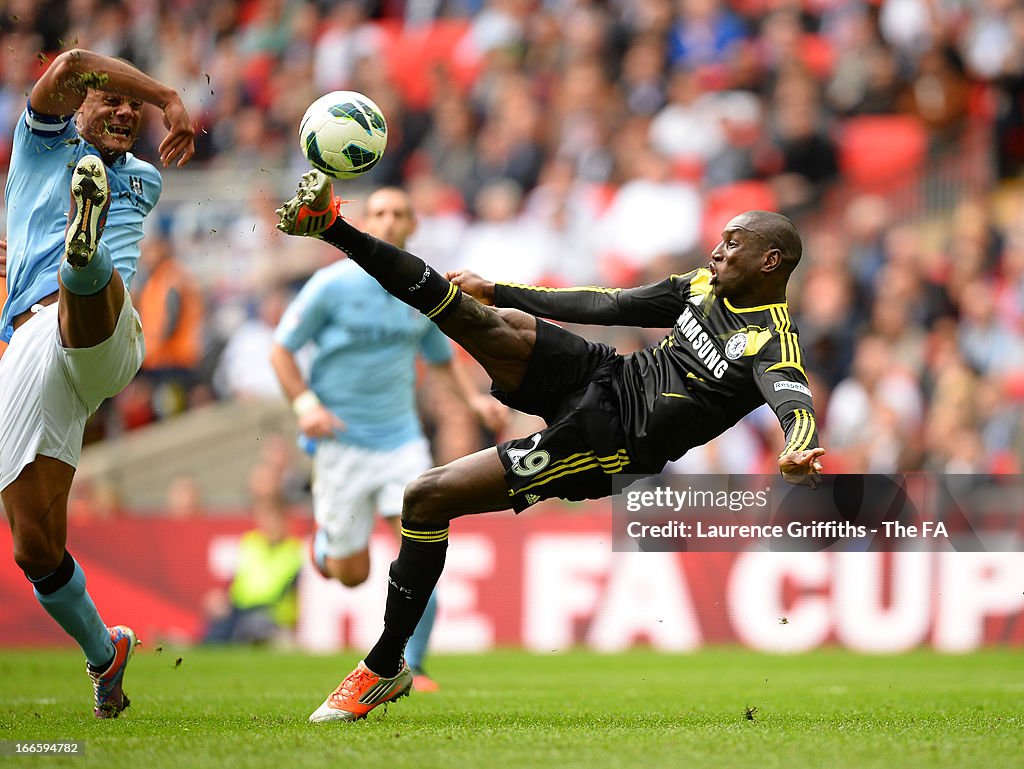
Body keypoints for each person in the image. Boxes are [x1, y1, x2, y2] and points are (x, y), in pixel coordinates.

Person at [276, 170, 825, 723]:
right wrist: (501, 289)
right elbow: (609, 303)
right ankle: (332, 228)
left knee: (424, 498)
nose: (716, 252)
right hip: (604, 376)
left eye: (732, 244)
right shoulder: (702, 287)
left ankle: (384, 664)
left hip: (608, 443)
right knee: (476, 315)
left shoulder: (772, 342)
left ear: (769, 262)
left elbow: (795, 408)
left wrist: (798, 449)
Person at [0, 49, 194, 718]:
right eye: (106, 99)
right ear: (75, 106)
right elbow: (76, 62)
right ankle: (104, 652)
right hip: (30, 349)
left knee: (84, 273)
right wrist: (165, 92)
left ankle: (85, 253)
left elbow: (88, 73)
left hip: (111, 333)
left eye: (130, 107)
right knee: (33, 548)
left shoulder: (140, 176)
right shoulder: (35, 145)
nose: (121, 109)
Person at [269, 186, 506, 694]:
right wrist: (306, 406)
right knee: (350, 573)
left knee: (422, 542)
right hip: (341, 444)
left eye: (399, 213)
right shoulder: (329, 287)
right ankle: (327, 548)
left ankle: (411, 665)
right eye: (379, 212)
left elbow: (441, 360)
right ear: (365, 221)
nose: (389, 221)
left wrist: (475, 401)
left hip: (401, 440)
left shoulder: (416, 292)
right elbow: (281, 351)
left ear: (412, 225)